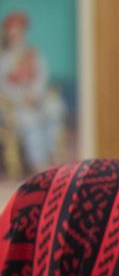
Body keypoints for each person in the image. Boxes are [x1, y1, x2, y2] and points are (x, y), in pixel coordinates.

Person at [0, 10, 67, 178]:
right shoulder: (4, 60)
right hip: (16, 105)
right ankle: (39, 164)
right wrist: (22, 98)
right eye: (12, 34)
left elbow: (42, 77)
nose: (16, 37)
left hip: (36, 98)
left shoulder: (33, 54)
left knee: (53, 108)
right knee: (30, 119)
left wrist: (35, 94)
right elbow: (4, 86)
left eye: (19, 33)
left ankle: (53, 156)